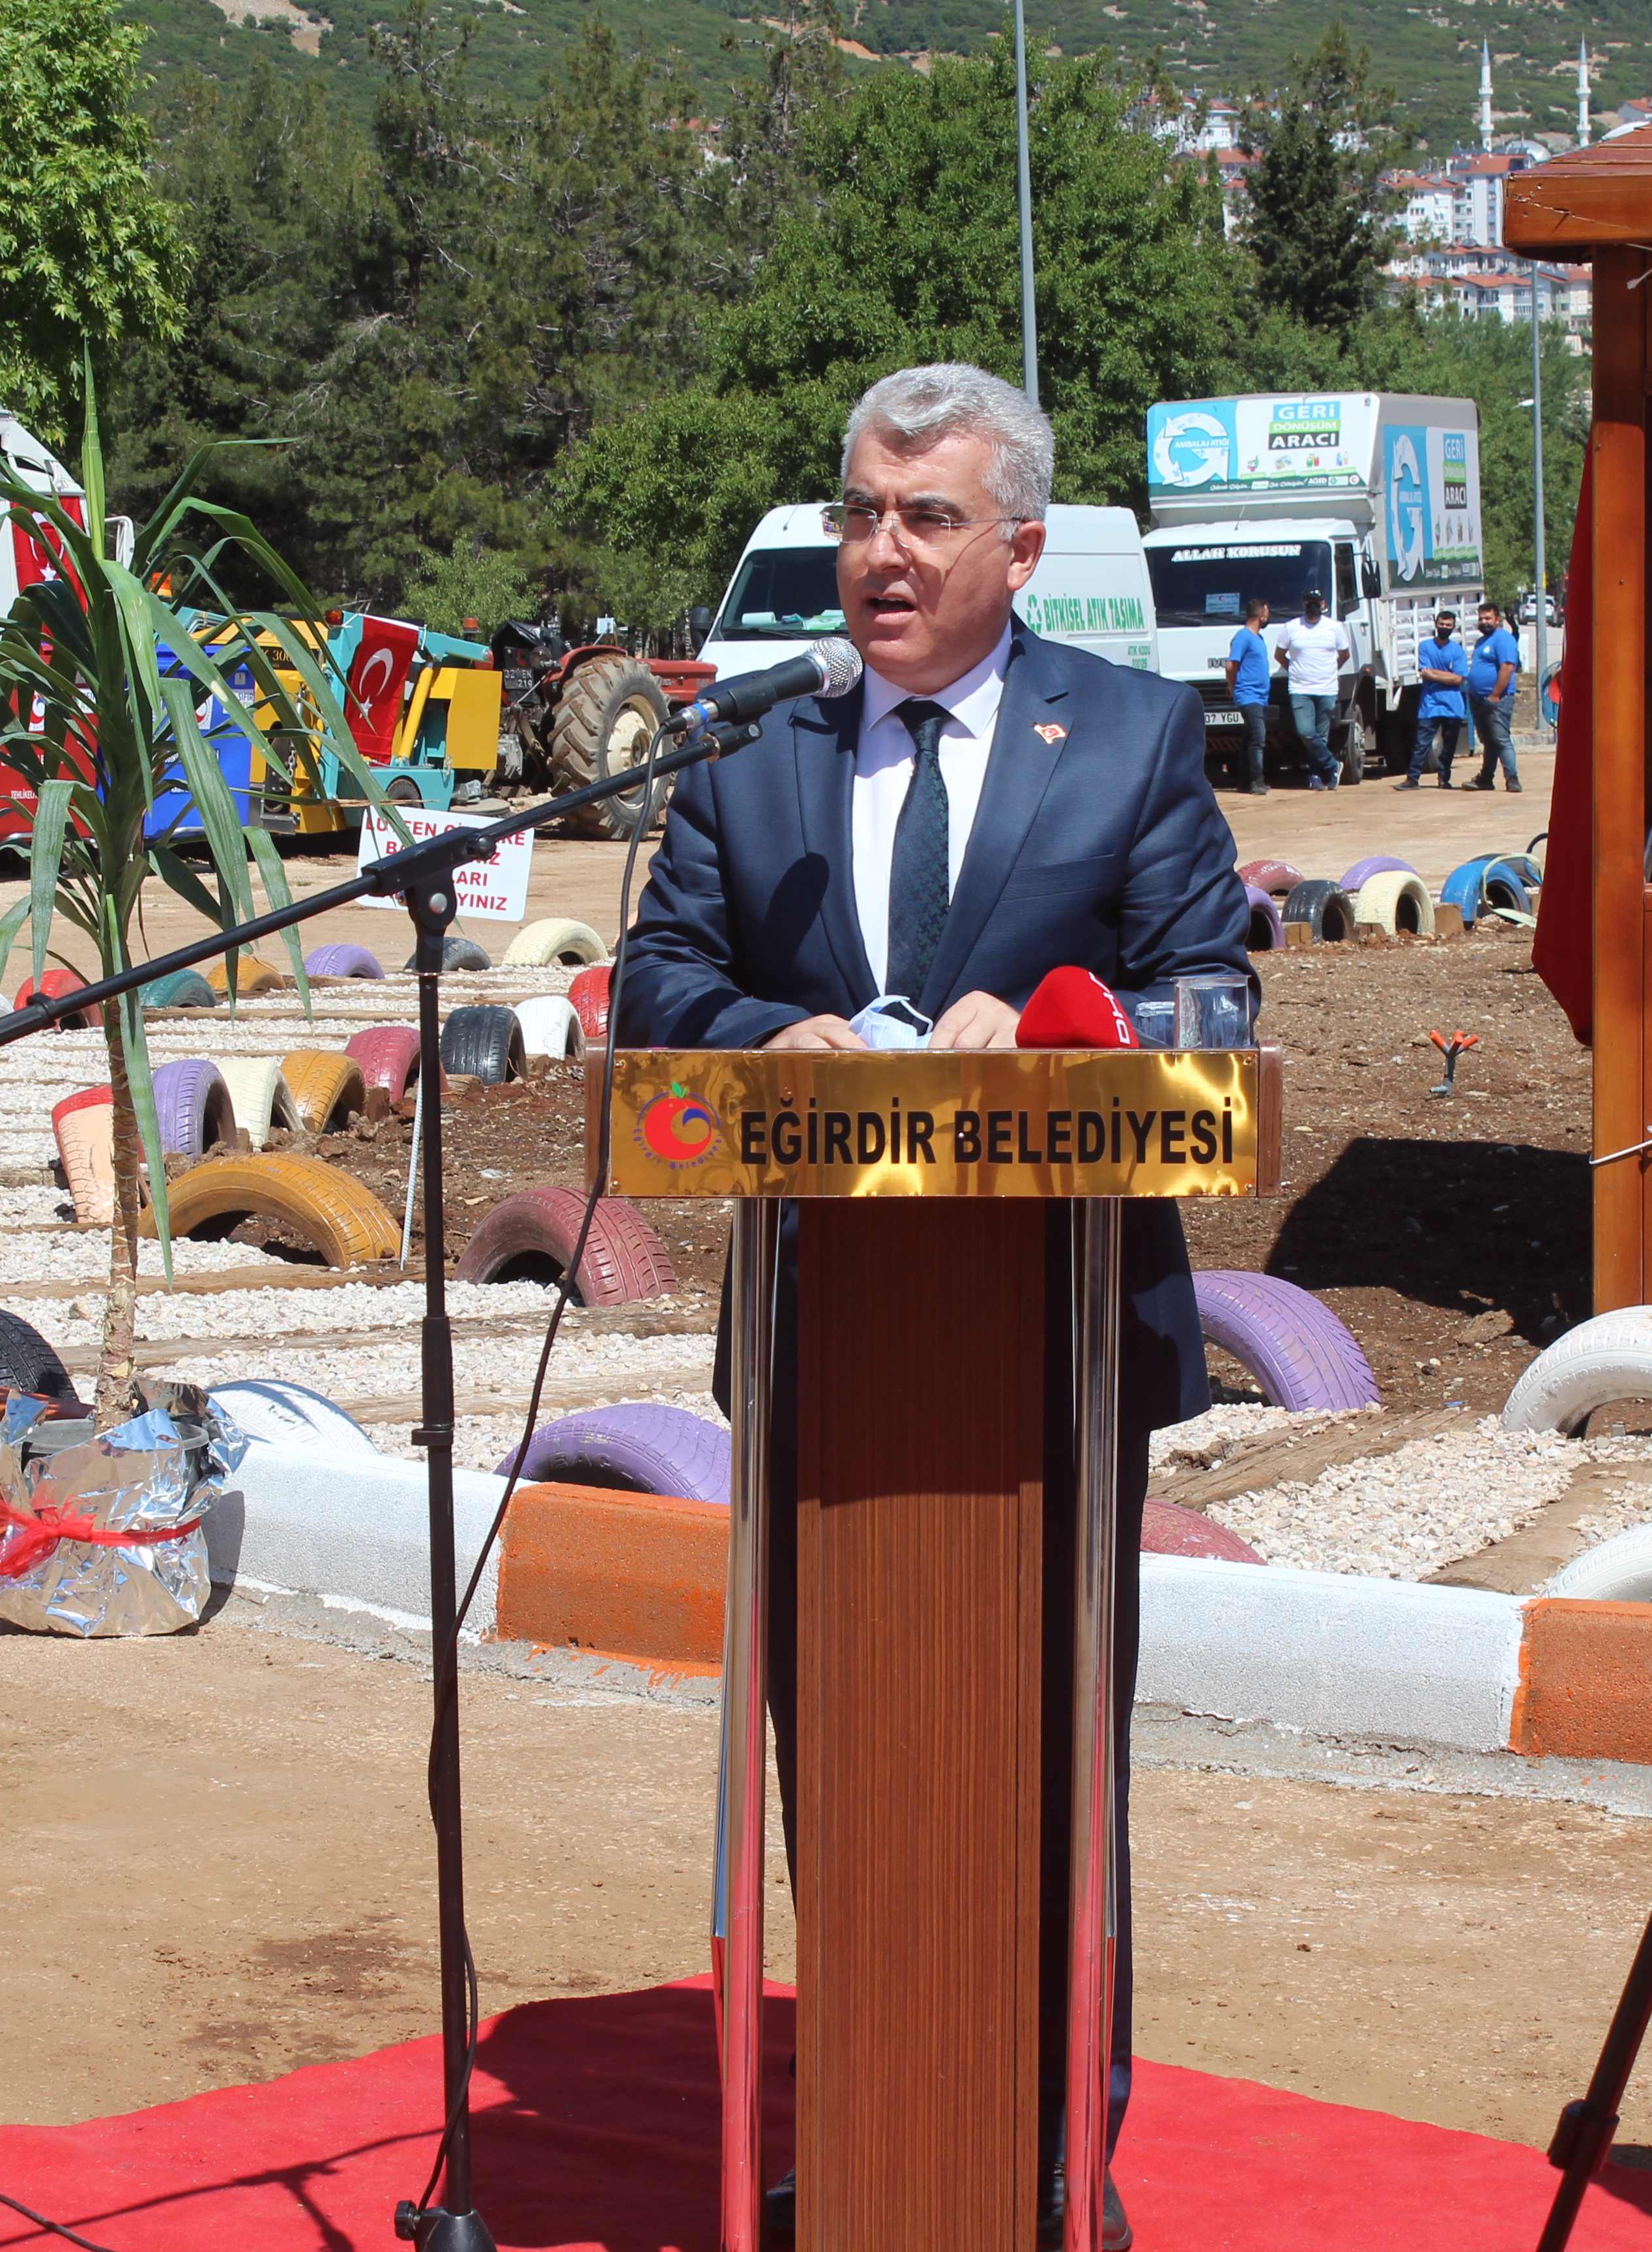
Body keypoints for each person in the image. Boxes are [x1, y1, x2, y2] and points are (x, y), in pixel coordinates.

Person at [616, 362, 1247, 2251]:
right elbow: (659, 989)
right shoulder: (753, 748)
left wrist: (1067, 1030)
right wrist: (767, 1034)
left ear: (1020, 546)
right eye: (859, 517)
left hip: (1052, 1348)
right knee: (847, 1746)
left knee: (1057, 1755)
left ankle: (1063, 2153)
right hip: (827, 1332)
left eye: (927, 521)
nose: (879, 558)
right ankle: (881, 2120)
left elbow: (1210, 1003)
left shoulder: (1129, 737)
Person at [1271, 589, 1351, 790]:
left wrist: (1331, 670)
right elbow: (1279, 655)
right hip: (1300, 688)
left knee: (1321, 736)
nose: (1313, 605)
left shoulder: (1334, 627)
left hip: (1327, 688)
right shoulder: (1291, 627)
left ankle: (1317, 776)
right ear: (1304, 604)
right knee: (1306, 732)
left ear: (1323, 604)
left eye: (1317, 602)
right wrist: (1295, 670)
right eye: (1309, 602)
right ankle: (1333, 765)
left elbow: (1344, 654)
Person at [1401, 610, 1468, 788]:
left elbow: (1460, 679)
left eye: (1448, 625)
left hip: (1453, 706)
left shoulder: (1457, 650)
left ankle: (1444, 778)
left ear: (1454, 627)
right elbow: (1425, 672)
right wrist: (1448, 676)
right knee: (1421, 743)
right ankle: (1412, 778)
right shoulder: (1425, 647)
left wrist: (1434, 675)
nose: (1444, 628)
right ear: (1435, 624)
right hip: (1430, 704)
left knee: (1449, 746)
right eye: (1442, 624)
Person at [1466, 600, 1523, 792]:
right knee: (1488, 742)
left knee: (1500, 739)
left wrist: (1495, 695)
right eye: (1481, 618)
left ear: (1497, 620)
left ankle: (1512, 779)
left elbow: (1507, 668)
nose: (1484, 622)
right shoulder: (1482, 642)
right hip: (1478, 699)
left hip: (1498, 699)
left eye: (1488, 618)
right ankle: (1485, 779)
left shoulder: (1504, 639)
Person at [1220, 593, 1273, 794]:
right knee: (1258, 737)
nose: (1268, 618)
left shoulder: (1259, 638)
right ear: (1261, 616)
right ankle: (1256, 780)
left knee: (1249, 738)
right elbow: (1231, 664)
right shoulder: (1243, 637)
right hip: (1248, 695)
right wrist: (1232, 687)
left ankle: (1244, 780)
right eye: (1267, 614)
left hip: (1260, 696)